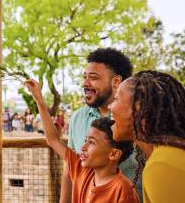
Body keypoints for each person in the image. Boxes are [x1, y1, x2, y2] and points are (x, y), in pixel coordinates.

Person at [25, 79, 139, 203]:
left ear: (113, 154)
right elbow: (53, 140)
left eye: (91, 143)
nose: (83, 147)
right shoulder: (82, 170)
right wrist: (39, 100)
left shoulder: (123, 191)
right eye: (86, 141)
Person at [64, 48, 142, 202]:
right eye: (84, 77)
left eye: (93, 77)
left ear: (116, 82)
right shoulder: (77, 118)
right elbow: (70, 169)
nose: (85, 83)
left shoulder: (137, 118)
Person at [109, 70, 185, 203]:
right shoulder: (166, 155)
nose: (110, 107)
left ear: (139, 107)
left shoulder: (162, 166)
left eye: (116, 98)